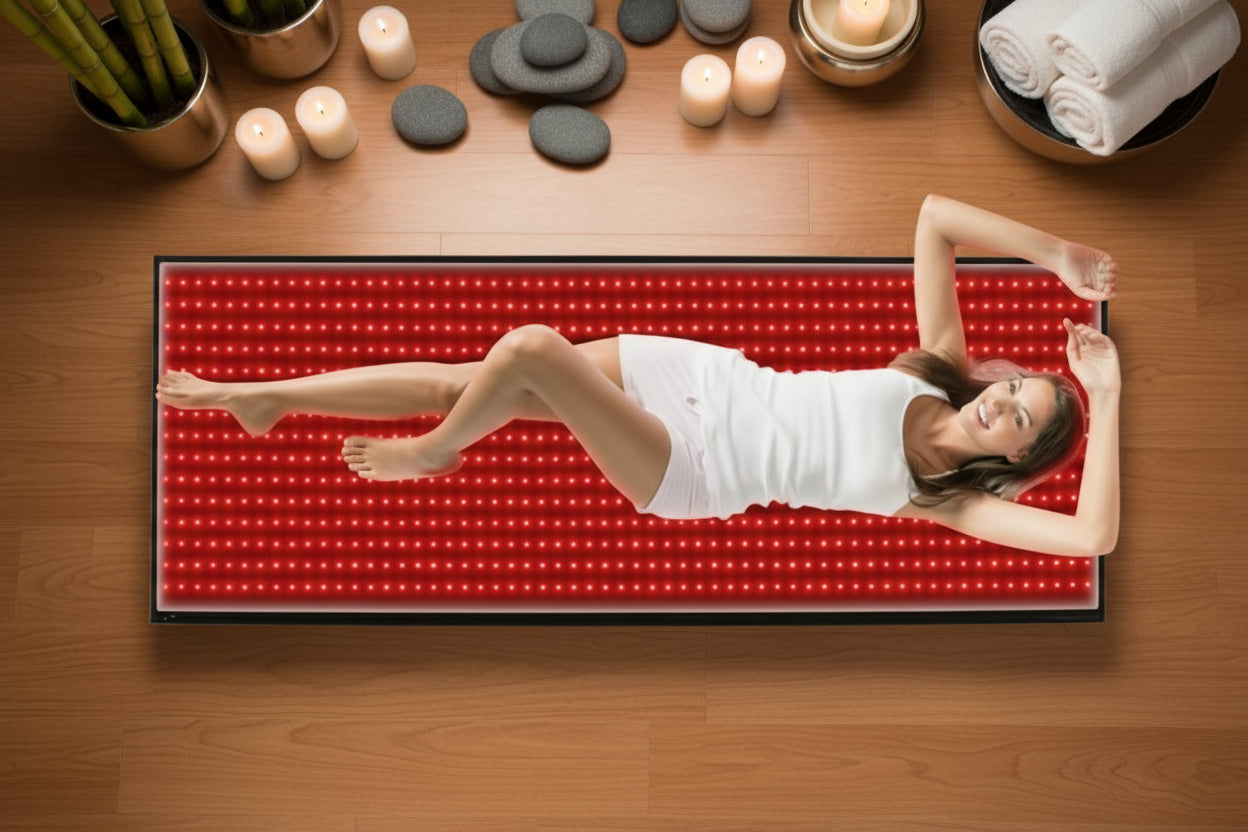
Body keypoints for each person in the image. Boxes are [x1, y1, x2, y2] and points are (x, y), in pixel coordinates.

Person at [156, 195, 1121, 558]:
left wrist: (1105, 398)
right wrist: (1055, 253)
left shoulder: (944, 502)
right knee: (469, 376)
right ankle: (270, 395)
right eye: (1016, 383)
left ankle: (433, 458)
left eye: (1015, 416)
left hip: (694, 465)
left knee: (528, 350)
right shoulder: (937, 369)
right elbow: (933, 218)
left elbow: (1091, 537)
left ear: (1013, 455)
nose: (999, 396)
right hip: (704, 374)